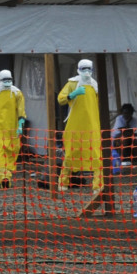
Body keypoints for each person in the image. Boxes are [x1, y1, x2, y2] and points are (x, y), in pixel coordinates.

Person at [56, 59, 103, 195]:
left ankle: (98, 186)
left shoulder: (95, 85)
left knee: (96, 155)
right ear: (78, 69)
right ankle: (63, 183)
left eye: (89, 69)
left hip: (92, 125)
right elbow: (60, 98)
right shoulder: (72, 83)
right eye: (84, 69)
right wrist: (72, 94)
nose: (86, 71)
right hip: (75, 125)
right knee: (70, 153)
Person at [0, 69, 27, 189]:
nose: (7, 82)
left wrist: (21, 123)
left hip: (13, 128)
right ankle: (4, 177)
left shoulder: (17, 93)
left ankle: (6, 175)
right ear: (0, 80)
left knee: (12, 151)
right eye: (5, 80)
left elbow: (21, 110)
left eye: (9, 79)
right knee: (0, 152)